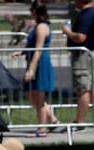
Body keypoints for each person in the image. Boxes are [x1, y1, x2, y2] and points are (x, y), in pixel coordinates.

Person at [23, 2, 61, 135]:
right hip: (35, 60)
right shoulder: (37, 26)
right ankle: (53, 120)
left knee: (38, 97)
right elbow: (32, 46)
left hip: (40, 63)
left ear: (35, 11)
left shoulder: (41, 27)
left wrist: (31, 69)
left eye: (31, 10)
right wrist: (21, 52)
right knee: (32, 96)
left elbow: (38, 50)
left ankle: (42, 128)